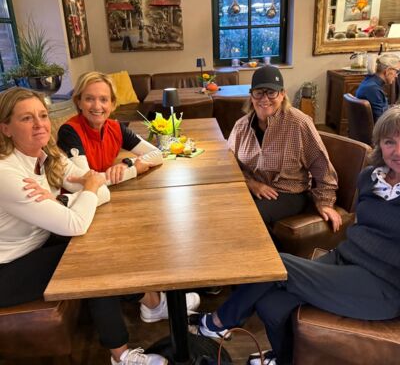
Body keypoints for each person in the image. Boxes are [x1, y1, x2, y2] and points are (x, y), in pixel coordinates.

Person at [197, 105, 400, 365]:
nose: (397, 151)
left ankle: (217, 322)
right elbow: (365, 227)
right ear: (379, 144)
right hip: (346, 258)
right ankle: (284, 358)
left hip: (383, 285)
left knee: (276, 264)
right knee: (271, 305)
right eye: (390, 142)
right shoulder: (370, 177)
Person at [0, 87, 168, 365]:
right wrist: (83, 193)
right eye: (26, 118)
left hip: (39, 242)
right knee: (92, 260)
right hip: (7, 269)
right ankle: (121, 355)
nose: (39, 124)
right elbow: (76, 221)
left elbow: (100, 187)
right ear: (6, 128)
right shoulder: (6, 173)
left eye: (42, 115)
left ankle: (151, 303)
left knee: (99, 237)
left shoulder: (48, 155)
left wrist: (62, 200)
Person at [57, 71, 200, 323]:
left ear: (113, 104)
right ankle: (154, 304)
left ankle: (156, 296)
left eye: (104, 99)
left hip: (105, 200)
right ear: (78, 101)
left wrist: (127, 162)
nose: (97, 106)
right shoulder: (70, 131)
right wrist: (134, 169)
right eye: (89, 99)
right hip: (80, 209)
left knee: (154, 227)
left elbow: (157, 154)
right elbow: (87, 182)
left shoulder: (115, 127)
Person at [227, 65, 342, 237]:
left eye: (271, 92)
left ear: (282, 94)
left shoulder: (299, 123)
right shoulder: (241, 126)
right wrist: (251, 183)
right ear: (251, 96)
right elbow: (230, 164)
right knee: (221, 208)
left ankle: (276, 254)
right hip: (253, 189)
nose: (264, 98)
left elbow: (321, 166)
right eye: (259, 92)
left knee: (249, 216)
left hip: (290, 192)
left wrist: (325, 202)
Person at [356, 53, 400, 122]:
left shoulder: (369, 81)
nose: (396, 76)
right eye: (397, 71)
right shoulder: (373, 89)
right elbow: (381, 120)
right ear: (388, 71)